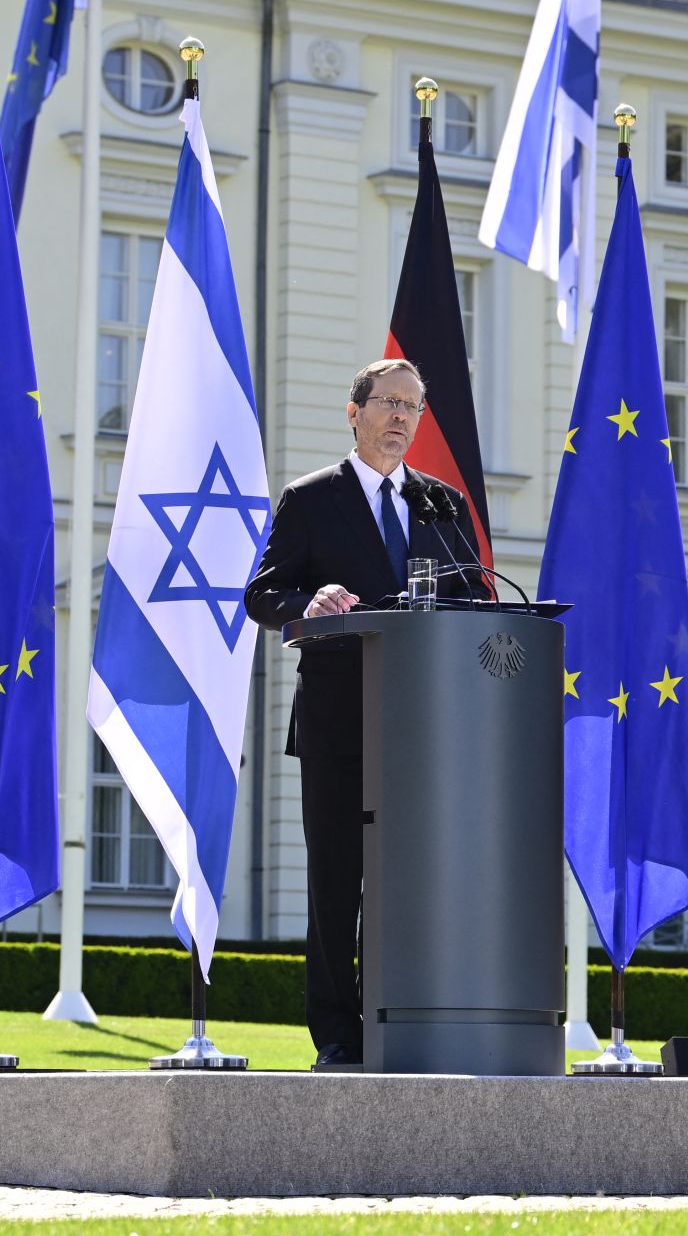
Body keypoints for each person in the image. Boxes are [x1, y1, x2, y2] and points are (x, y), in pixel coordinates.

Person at [244, 358, 489, 1069]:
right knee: (335, 884)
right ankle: (338, 1037)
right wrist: (308, 601)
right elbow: (264, 593)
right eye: (389, 402)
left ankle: (403, 1022)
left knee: (407, 881)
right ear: (354, 413)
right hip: (337, 723)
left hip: (423, 730)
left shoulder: (441, 504)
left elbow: (469, 601)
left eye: (413, 406)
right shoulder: (311, 498)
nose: (402, 418)